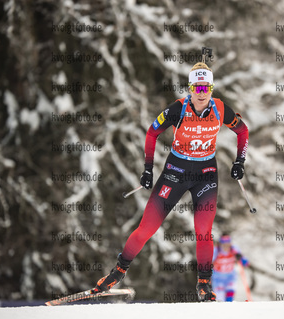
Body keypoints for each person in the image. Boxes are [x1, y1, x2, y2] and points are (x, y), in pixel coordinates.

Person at [92, 61, 249, 302]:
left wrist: (240, 161)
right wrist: (147, 169)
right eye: (196, 89)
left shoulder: (220, 109)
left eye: (205, 88)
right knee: (147, 227)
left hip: (205, 174)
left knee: (204, 231)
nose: (201, 94)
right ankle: (118, 272)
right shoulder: (178, 109)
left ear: (211, 89)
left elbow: (243, 131)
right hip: (176, 171)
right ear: (189, 89)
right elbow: (152, 132)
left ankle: (204, 284)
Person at [212, 234, 249, 302]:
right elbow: (209, 262)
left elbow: (245, 262)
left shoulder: (234, 249)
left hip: (230, 277)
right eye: (224, 244)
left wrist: (241, 259)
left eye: (228, 244)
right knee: (220, 299)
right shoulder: (216, 251)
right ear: (220, 243)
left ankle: (229, 311)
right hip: (218, 278)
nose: (226, 246)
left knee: (230, 297)